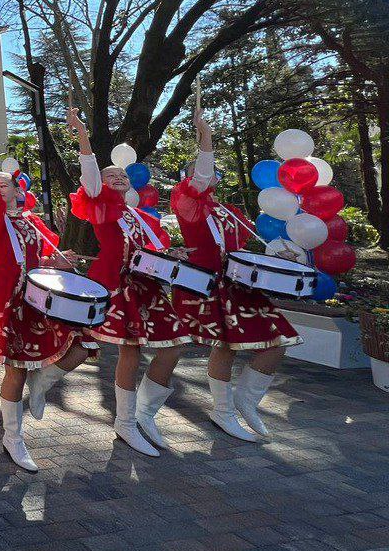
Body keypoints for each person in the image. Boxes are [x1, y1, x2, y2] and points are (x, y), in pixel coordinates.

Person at [47, 108, 192, 457]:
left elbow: (156, 250)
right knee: (128, 349)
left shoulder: (140, 217)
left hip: (149, 289)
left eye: (121, 177)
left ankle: (146, 414)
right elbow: (90, 175)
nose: (118, 179)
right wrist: (83, 132)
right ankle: (124, 422)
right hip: (116, 286)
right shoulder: (102, 206)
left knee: (172, 348)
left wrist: (176, 256)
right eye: (110, 176)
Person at [0, 128, 88, 472]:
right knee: (16, 368)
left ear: (18, 190)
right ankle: (13, 437)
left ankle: (43, 384)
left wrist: (58, 262)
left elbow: (38, 259)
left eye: (4, 185)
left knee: (82, 345)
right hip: (10, 296)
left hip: (39, 294)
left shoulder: (31, 222)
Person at [169, 112, 300, 442]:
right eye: (204, 171)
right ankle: (223, 410)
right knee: (226, 347)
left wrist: (278, 255)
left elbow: (243, 249)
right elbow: (199, 178)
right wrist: (206, 137)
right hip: (208, 285)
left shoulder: (227, 211)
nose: (210, 176)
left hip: (240, 285)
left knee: (278, 341)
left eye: (214, 172)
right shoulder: (186, 201)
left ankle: (246, 400)